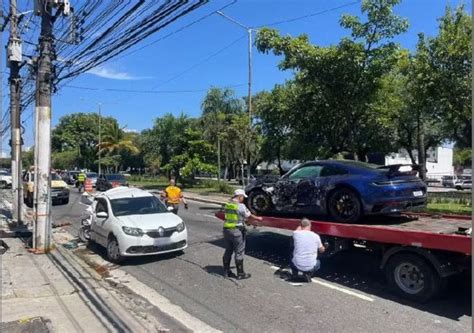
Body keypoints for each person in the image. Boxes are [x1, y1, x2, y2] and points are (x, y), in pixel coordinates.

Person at [223, 189, 263, 279]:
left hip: (226, 230)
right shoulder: (240, 206)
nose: (243, 199)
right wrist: (258, 218)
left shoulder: (228, 204)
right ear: (240, 196)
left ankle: (226, 271)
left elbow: (237, 217)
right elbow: (249, 216)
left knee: (228, 250)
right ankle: (240, 274)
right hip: (236, 231)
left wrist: (246, 221)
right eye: (243, 197)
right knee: (239, 251)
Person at [290, 218, 327, 282]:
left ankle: (295, 274)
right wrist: (325, 247)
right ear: (310, 226)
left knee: (291, 255)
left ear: (301, 226)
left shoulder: (296, 234)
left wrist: (301, 225)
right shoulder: (316, 236)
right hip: (310, 267)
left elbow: (297, 229)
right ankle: (308, 274)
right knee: (318, 262)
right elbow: (322, 250)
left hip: (297, 265)